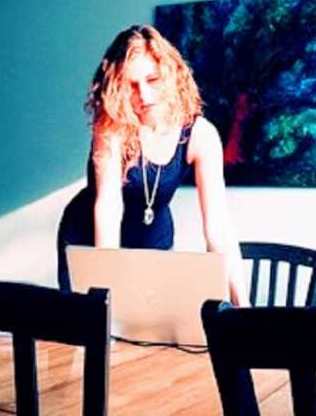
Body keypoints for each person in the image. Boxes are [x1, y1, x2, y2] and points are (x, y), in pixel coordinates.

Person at [57, 24, 248, 306]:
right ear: (116, 88)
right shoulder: (110, 128)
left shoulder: (201, 135)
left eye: (152, 80)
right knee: (94, 333)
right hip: (91, 237)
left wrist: (244, 309)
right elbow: (109, 208)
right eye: (130, 85)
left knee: (152, 333)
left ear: (171, 76)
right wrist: (104, 296)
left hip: (153, 240)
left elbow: (218, 228)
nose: (143, 96)